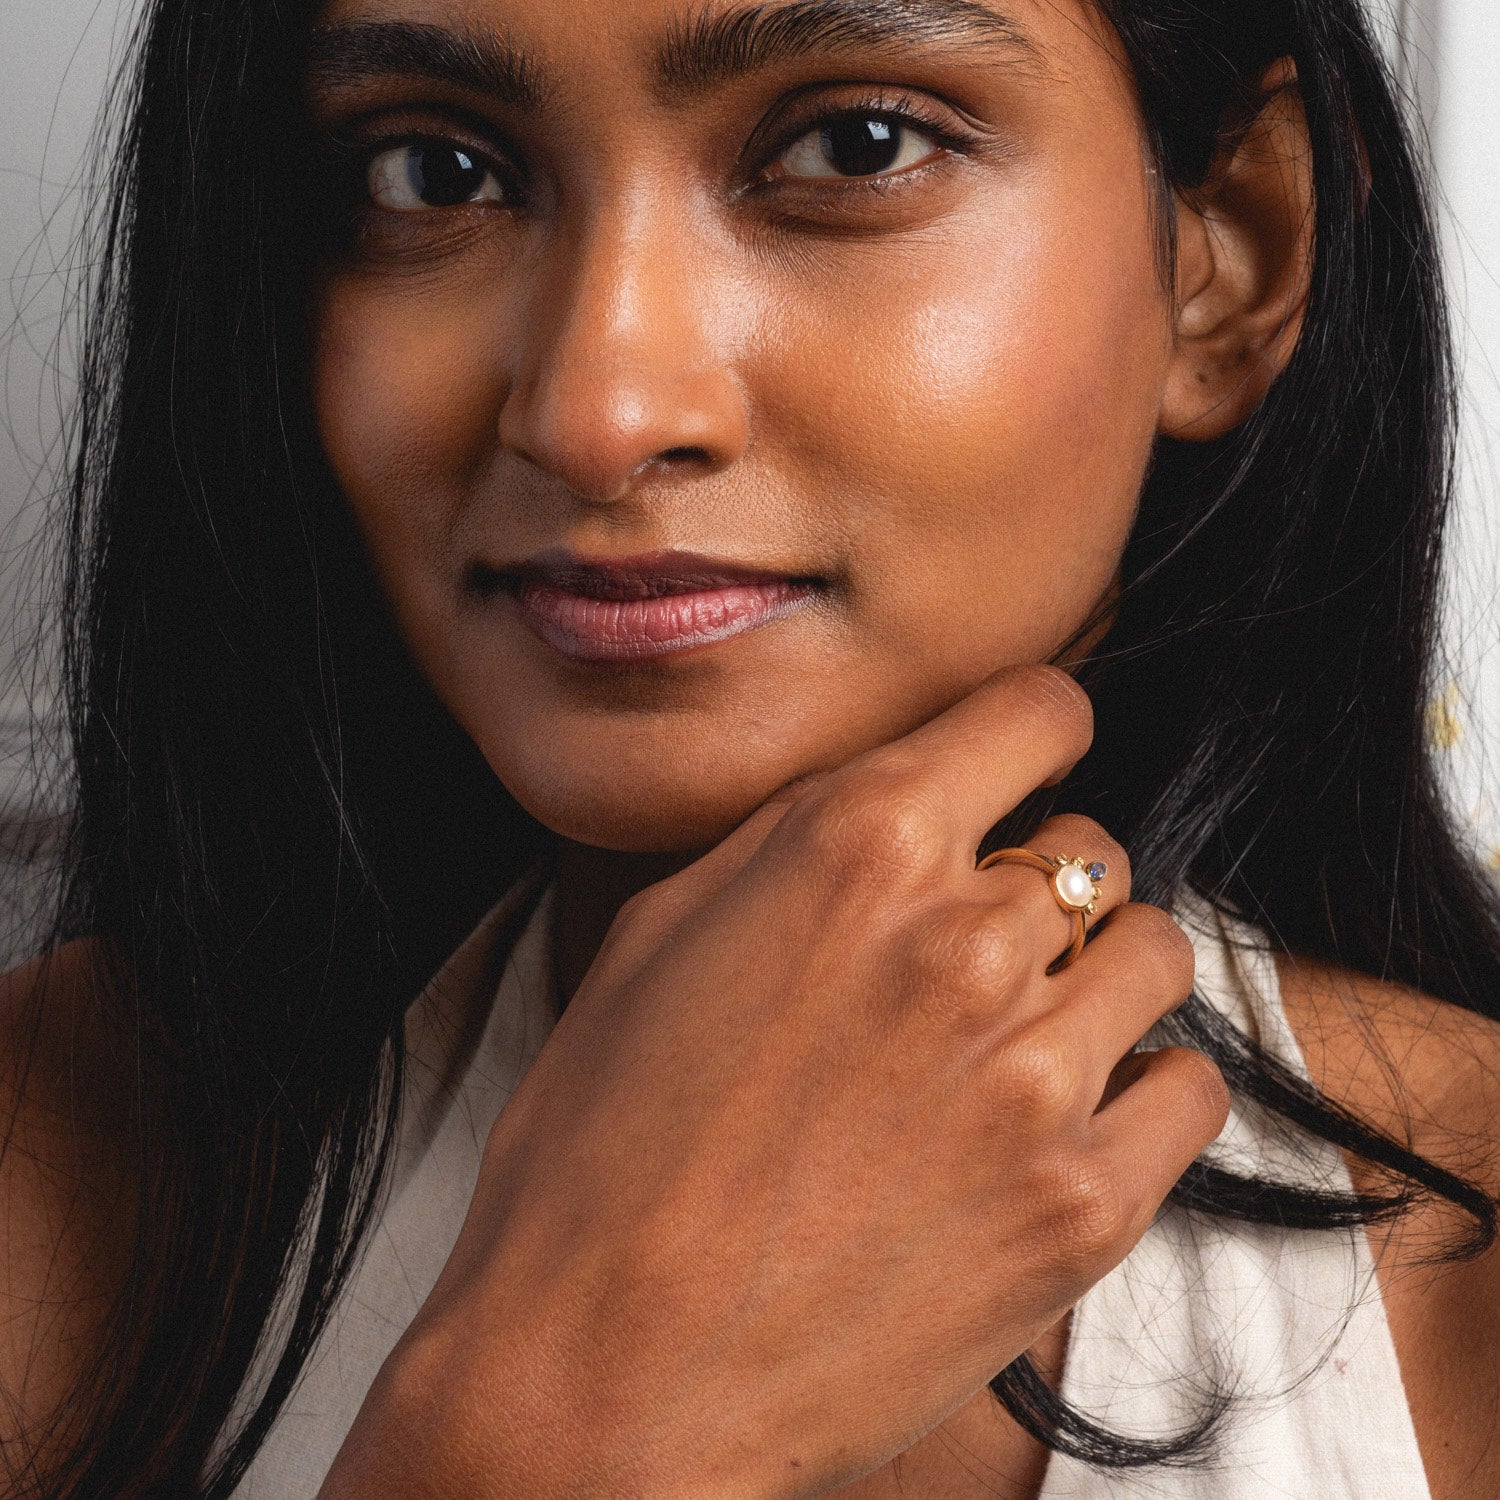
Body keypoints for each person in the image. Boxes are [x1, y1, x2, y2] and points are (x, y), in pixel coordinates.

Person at [2, 0, 1498, 1493]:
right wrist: (552, 1437)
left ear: (1232, 252)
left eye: (857, 145)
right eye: (436, 174)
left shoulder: (1471, 1263)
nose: (596, 412)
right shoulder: (47, 1170)